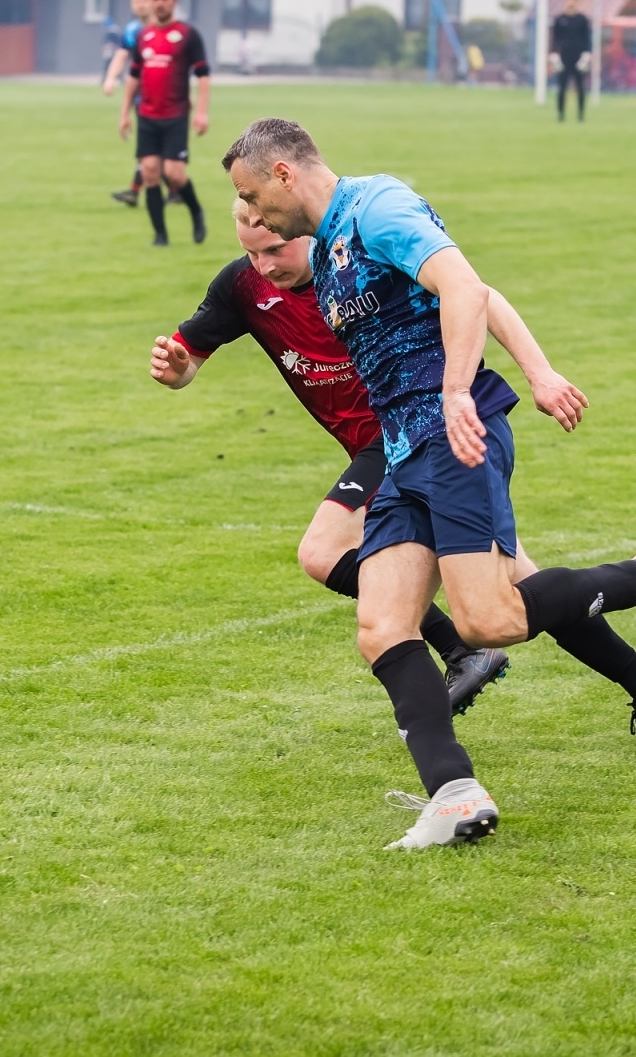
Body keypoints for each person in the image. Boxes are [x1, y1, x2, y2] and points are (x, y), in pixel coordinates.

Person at [222, 118, 636, 850]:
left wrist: (466, 389)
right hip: (404, 451)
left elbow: (464, 286)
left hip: (451, 434)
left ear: (282, 172)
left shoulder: (375, 207)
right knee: (382, 628)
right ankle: (455, 795)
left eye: (251, 196)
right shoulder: (331, 249)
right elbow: (475, 291)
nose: (252, 215)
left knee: (486, 621)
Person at [151, 199, 512, 715]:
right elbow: (187, 361)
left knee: (322, 552)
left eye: (276, 247)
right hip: (389, 445)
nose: (266, 265)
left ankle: (464, 651)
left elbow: (472, 293)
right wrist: (177, 368)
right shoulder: (245, 288)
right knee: (515, 580)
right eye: (252, 255)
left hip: (410, 430)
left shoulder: (354, 262)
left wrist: (533, 372)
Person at [119, 0, 210, 246]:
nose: (159, 3)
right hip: (147, 115)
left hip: (176, 115)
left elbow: (203, 74)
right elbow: (134, 76)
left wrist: (202, 111)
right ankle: (160, 236)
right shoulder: (143, 36)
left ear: (174, 2)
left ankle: (196, 212)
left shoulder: (188, 35)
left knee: (174, 174)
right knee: (149, 172)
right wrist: (125, 112)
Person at [104, 0, 150, 208]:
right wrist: (111, 78)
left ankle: (175, 187)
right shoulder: (133, 30)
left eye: (143, 0)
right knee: (149, 148)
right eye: (136, 2)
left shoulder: (167, 28)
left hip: (168, 98)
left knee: (157, 151)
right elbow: (122, 55)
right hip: (142, 97)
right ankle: (138, 190)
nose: (140, 5)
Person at [549, 0, 591, 122]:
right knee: (562, 87)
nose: (570, 2)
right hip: (564, 57)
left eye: (573, 0)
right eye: (568, 0)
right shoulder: (559, 19)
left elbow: (587, 39)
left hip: (578, 57)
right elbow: (555, 39)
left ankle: (580, 115)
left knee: (580, 87)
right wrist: (553, 53)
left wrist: (587, 54)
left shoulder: (583, 19)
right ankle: (561, 116)